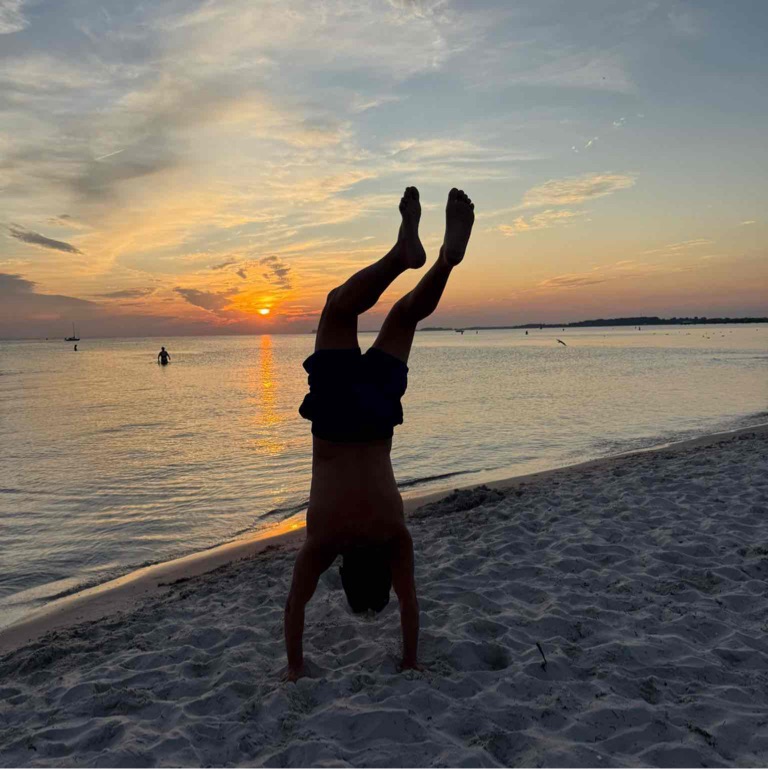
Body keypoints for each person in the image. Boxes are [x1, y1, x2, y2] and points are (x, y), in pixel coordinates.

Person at [284, 186, 474, 681]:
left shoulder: (396, 538)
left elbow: (411, 606)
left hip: (376, 419)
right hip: (334, 422)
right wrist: (295, 667)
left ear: (383, 577)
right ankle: (399, 255)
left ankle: (446, 262)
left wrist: (411, 659)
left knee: (404, 315)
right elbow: (295, 607)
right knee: (337, 310)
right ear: (343, 573)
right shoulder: (323, 542)